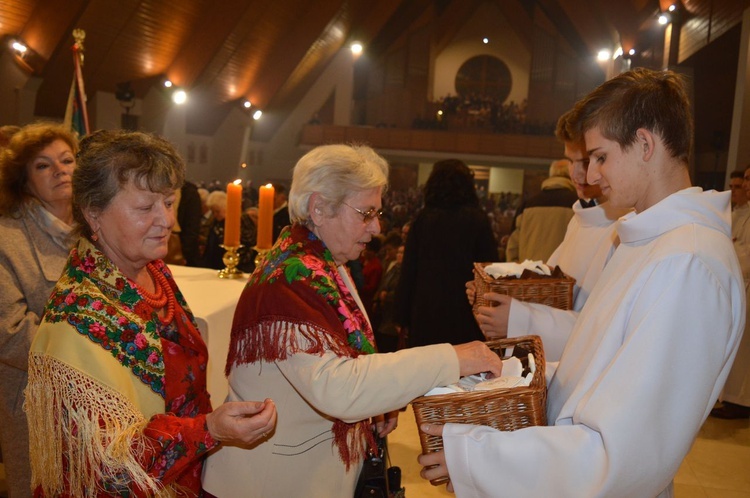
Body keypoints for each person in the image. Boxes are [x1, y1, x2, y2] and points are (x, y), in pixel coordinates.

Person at [419, 68, 745, 497]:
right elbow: (599, 371)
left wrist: (479, 457)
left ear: (645, 144)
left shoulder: (688, 264)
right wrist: (510, 377)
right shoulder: (650, 243)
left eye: (601, 157)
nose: (590, 176)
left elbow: (623, 454)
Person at [201, 144, 504, 498]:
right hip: (271, 482)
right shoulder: (290, 278)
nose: (376, 227)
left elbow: (350, 359)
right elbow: (337, 387)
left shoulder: (324, 264)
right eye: (366, 213)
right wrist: (454, 358)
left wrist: (379, 402)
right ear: (319, 208)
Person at [24, 130, 277, 497]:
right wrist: (209, 430)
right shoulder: (77, 318)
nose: (167, 221)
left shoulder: (154, 272)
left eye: (169, 203)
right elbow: (108, 470)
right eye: (146, 208)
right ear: (93, 213)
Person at [469, 108, 630, 363]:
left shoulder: (624, 230)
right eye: (570, 161)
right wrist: (493, 293)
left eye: (587, 161)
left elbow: (603, 331)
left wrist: (519, 319)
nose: (578, 174)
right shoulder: (581, 219)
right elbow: (550, 288)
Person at [0, 122, 78, 498]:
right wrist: (88, 350)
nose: (61, 170)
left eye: (67, 160)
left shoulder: (94, 229)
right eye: (43, 165)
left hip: (96, 399)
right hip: (36, 402)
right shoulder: (6, 237)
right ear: (24, 181)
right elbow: (9, 333)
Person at [394, 159, 497, 347]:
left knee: (429, 370)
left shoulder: (423, 219)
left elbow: (409, 271)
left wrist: (402, 317)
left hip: (426, 310)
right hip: (466, 311)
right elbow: (490, 270)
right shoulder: (477, 220)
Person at [711, 164, 750, 419]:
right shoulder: (739, 214)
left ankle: (741, 402)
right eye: (743, 180)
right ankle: (731, 397)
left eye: (746, 181)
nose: (744, 186)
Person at [505, 158, 578, 262]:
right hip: (562, 276)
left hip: (529, 275)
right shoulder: (578, 206)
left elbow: (512, 248)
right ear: (572, 175)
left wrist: (518, 273)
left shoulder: (526, 206)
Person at [202, 190, 257, 273]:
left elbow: (249, 242)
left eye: (217, 211)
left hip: (238, 265)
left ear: (225, 208)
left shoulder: (241, 221)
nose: (214, 214)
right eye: (212, 212)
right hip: (214, 265)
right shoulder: (215, 222)